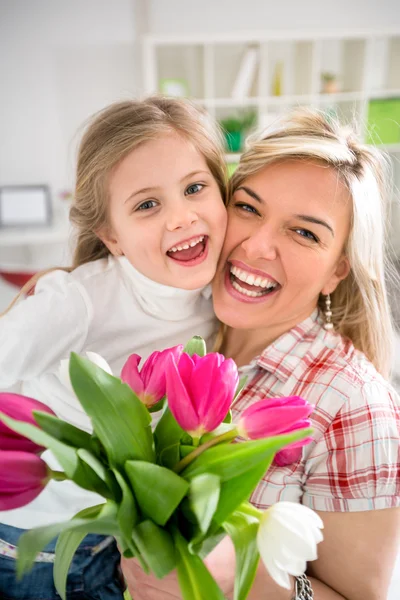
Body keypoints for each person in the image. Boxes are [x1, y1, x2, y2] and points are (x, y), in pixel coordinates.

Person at [121, 108, 400, 599]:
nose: (257, 245)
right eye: (248, 208)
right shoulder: (176, 324)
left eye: (305, 232)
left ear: (338, 269)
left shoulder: (353, 404)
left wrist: (242, 577)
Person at [0, 96, 228, 599]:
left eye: (195, 188)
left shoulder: (219, 300)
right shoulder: (77, 302)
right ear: (112, 236)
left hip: (117, 548)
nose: (181, 217)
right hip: (31, 549)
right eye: (148, 204)